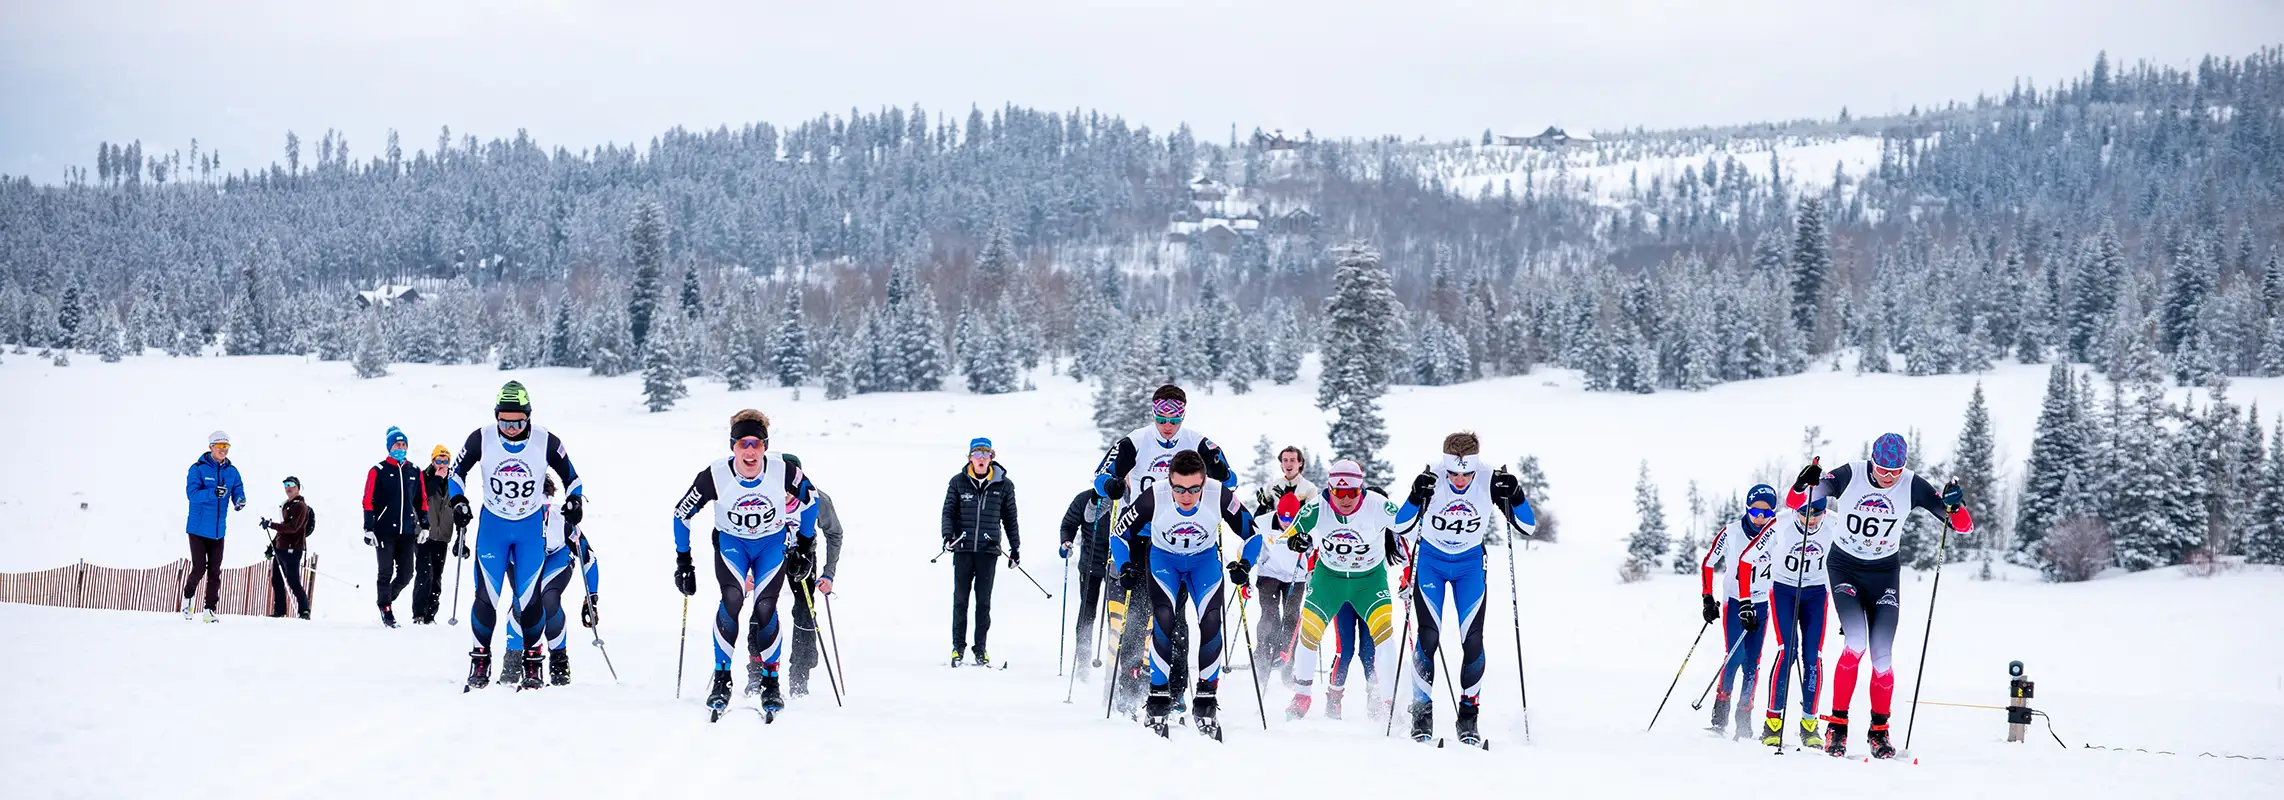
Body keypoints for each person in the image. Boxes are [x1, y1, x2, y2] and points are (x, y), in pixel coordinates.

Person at [1788, 433, 1972, 759]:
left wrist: (1956, 505)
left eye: (1895, 471)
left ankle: (1879, 731)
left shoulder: (1913, 485)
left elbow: (1962, 527)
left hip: (1884, 574)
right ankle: (1837, 726)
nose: (1888, 478)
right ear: (1872, 461)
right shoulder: (1850, 474)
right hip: (1844, 567)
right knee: (1855, 642)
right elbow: (1794, 503)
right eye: (1883, 470)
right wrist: (1803, 485)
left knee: (1882, 657)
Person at [669, 409, 820, 719]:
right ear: (732, 446)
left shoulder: (783, 470)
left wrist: (803, 546)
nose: (750, 451)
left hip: (769, 544)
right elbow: (680, 514)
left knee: (765, 606)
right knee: (733, 597)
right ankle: (722, 679)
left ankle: (770, 681)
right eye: (743, 444)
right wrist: (684, 561)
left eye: (757, 443)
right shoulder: (715, 475)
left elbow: (812, 500)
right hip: (732, 544)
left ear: (765, 446)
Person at [1092, 384, 1231, 713]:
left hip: (1180, 540)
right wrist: (1110, 484)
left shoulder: (1197, 442)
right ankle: (1129, 687)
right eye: (1161, 414)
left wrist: (1223, 478)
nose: (1167, 422)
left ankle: (1175, 691)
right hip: (1139, 535)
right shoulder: (1134, 441)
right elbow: (1100, 476)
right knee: (1137, 612)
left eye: (1175, 415)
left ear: (1184, 413)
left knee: (1174, 616)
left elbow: (1228, 477)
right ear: (1153, 411)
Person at [1394, 432, 1536, 746]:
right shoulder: (1431, 476)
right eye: (1454, 474)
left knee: (1472, 640)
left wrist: (1516, 495)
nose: (1459, 480)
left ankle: (1468, 717)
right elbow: (1402, 526)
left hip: (1470, 563)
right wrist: (1416, 495)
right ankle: (1421, 713)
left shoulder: (1489, 478)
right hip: (1431, 559)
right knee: (1428, 635)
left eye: (1466, 474)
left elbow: (1527, 526)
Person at [449, 381, 586, 691]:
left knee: (530, 599)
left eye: (518, 422)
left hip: (528, 529)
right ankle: (480, 660)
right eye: (505, 421)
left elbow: (573, 479)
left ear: (529, 418)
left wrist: (574, 501)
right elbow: (456, 474)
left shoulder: (545, 440)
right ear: (496, 417)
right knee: (487, 597)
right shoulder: (481, 438)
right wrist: (458, 501)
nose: (511, 428)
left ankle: (533, 661)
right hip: (493, 528)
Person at [1109, 449, 1252, 740]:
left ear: (1204, 482)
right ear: (1169, 481)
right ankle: (1159, 696)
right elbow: (1118, 535)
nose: (1186, 496)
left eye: (1194, 489)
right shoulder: (1154, 495)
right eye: (1179, 488)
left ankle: (1206, 697)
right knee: (1164, 618)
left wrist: (1245, 564)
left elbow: (1254, 533)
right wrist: (1124, 566)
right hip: (1165, 561)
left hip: (1203, 562)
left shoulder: (1219, 494)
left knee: (1211, 620)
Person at [1270, 460, 1404, 725]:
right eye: (1338, 493)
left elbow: (1413, 527)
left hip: (1369, 581)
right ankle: (1302, 696)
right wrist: (1300, 540)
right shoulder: (1317, 506)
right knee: (1309, 632)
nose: (1345, 499)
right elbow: (1288, 535)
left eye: (1352, 493)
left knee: (1384, 637)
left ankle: (1388, 702)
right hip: (1329, 579)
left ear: (1361, 489)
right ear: (1329, 488)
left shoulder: (1378, 505)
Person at [1755, 495, 1836, 748]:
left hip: (1816, 592)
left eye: (1817, 515)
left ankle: (1809, 725)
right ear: (1796, 511)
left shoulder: (1836, 523)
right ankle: (1772, 723)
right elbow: (1750, 556)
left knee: (1813, 656)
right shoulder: (1779, 523)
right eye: (1805, 514)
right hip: (1783, 591)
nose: (1811, 520)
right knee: (1786, 652)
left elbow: (1850, 560)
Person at [1699, 484, 1778, 738]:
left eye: (1767, 513)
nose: (1760, 518)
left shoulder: (1776, 533)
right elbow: (1708, 562)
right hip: (1735, 601)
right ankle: (1720, 714)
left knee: (1752, 663)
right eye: (1756, 511)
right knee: (1734, 656)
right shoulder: (1732, 532)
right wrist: (1707, 597)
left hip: (1761, 602)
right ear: (1747, 508)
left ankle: (1744, 717)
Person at [941, 437, 1018, 667]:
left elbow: (1010, 519)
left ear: (992, 457)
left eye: (986, 453)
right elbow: (948, 512)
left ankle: (980, 649)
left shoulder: (1004, 485)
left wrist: (1016, 547)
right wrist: (948, 536)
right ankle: (958, 648)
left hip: (988, 551)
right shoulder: (958, 482)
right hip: (963, 550)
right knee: (960, 601)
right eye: (977, 454)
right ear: (970, 458)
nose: (981, 458)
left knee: (983, 603)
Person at [1249, 447, 1318, 687]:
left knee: (1291, 616)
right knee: (1269, 614)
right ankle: (1264, 654)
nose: (1288, 464)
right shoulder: (1272, 486)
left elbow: (1313, 520)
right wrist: (1265, 504)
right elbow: (1261, 524)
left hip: (1295, 567)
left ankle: (1286, 660)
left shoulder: (1309, 488)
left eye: (1293, 460)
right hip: (1271, 563)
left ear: (1300, 463)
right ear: (1281, 464)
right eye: (1284, 460)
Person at [530, 476, 601, 686]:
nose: (542, 514)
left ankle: (559, 662)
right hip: (526, 562)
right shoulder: (513, 518)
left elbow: (588, 556)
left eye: (546, 507)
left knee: (548, 599)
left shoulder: (561, 520)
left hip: (556, 559)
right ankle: (515, 660)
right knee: (522, 603)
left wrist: (592, 598)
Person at [363, 426, 429, 628]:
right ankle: (386, 611)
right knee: (385, 571)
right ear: (389, 447)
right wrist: (369, 527)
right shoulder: (378, 470)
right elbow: (368, 500)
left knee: (407, 573)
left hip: (407, 531)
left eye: (404, 445)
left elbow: (422, 500)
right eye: (397, 445)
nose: (401, 448)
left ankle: (385, 600)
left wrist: (424, 525)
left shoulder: (414, 471)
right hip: (384, 531)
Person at [182, 430, 246, 623]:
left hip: (218, 530)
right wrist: (213, 493)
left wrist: (240, 500)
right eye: (220, 447)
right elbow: (192, 494)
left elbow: (238, 489)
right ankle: (188, 598)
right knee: (199, 568)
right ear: (211, 447)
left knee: (215, 572)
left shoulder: (232, 471)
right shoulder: (198, 469)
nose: (223, 450)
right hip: (198, 529)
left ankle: (209, 610)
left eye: (226, 447)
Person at [788, 486, 844, 697]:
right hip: (770, 554)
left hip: (804, 556)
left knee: (804, 612)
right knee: (763, 607)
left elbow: (834, 533)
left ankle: (800, 675)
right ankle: (758, 673)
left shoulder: (815, 497)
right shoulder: (764, 490)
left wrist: (828, 573)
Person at [1058, 487, 1112, 675]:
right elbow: (1068, 524)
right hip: (1091, 563)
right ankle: (1082, 659)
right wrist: (1066, 541)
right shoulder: (1085, 498)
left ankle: (1116, 660)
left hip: (1117, 566)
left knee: (1115, 615)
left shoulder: (1127, 497)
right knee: (1087, 610)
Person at [412, 445, 457, 624]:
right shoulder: (423, 477)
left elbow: (458, 507)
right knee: (424, 573)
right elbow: (420, 496)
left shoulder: (453, 481)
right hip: (423, 533)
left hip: (442, 535)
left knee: (437, 575)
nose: (442, 465)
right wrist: (437, 479)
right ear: (432, 461)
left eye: (445, 461)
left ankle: (431, 615)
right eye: (439, 460)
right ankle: (418, 614)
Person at [259, 476, 313, 619]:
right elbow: (282, 529)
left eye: (291, 485)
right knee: (276, 580)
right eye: (285, 485)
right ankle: (280, 611)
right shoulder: (286, 505)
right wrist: (272, 547)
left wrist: (271, 524)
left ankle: (304, 611)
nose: (288, 487)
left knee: (293, 581)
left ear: (298, 487)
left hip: (293, 549)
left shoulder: (300, 506)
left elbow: (293, 528)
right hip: (280, 548)